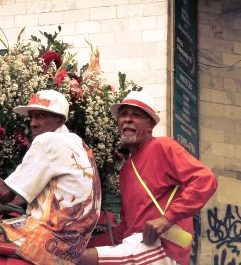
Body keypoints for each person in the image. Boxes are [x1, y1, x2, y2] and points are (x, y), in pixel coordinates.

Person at [0, 89, 101, 264]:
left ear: (60, 120)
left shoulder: (47, 140)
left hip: (42, 244)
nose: (33, 123)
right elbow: (38, 195)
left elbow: (4, 194)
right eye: (31, 117)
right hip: (71, 252)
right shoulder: (80, 145)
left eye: (41, 116)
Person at [79, 91, 217, 265]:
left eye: (136, 115)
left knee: (77, 260)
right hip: (135, 246)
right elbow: (126, 227)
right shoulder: (126, 170)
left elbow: (205, 179)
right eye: (123, 115)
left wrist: (166, 219)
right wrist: (86, 244)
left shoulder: (162, 146)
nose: (128, 119)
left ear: (150, 124)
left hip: (161, 248)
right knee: (76, 256)